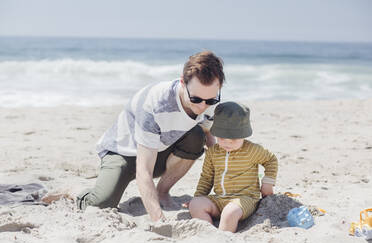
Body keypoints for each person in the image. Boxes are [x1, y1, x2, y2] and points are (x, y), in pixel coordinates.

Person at [76, 51, 225, 222]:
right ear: (182, 83)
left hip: (160, 149)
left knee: (196, 136)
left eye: (210, 100)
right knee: (102, 203)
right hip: (123, 152)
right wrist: (159, 220)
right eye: (196, 99)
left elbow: (208, 135)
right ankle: (73, 189)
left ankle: (162, 192)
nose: (203, 106)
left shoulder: (210, 98)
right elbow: (143, 170)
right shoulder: (156, 104)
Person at [188, 101, 278, 232]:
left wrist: (268, 183)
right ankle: (209, 233)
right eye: (222, 138)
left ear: (243, 135)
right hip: (219, 200)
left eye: (234, 139)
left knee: (229, 213)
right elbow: (207, 178)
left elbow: (271, 160)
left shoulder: (251, 150)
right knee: (195, 204)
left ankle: (223, 238)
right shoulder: (213, 152)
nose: (228, 143)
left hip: (244, 200)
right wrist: (199, 196)